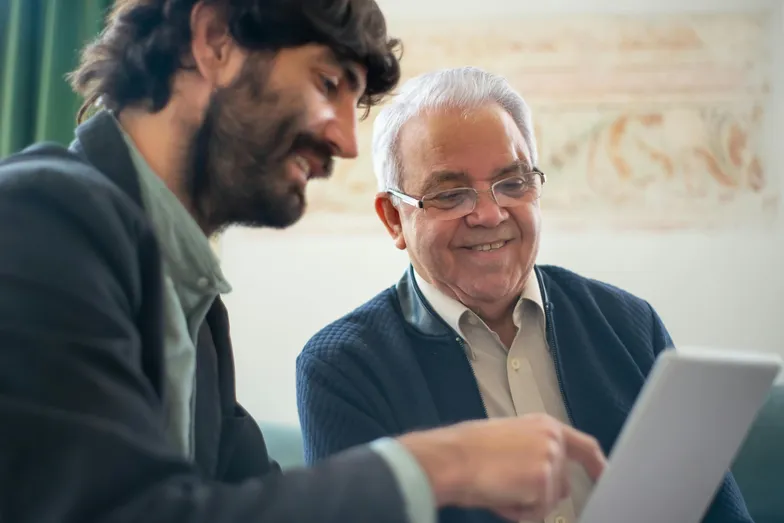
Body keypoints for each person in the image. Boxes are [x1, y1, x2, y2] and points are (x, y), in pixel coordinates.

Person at [0, 3, 607, 523]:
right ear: (214, 42)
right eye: (327, 83)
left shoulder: (195, 306)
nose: (345, 141)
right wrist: (448, 463)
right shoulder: (40, 216)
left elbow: (248, 501)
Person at [296, 67, 753, 523]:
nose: (490, 214)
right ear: (394, 218)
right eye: (451, 194)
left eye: (512, 184)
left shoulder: (629, 324)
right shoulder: (342, 369)